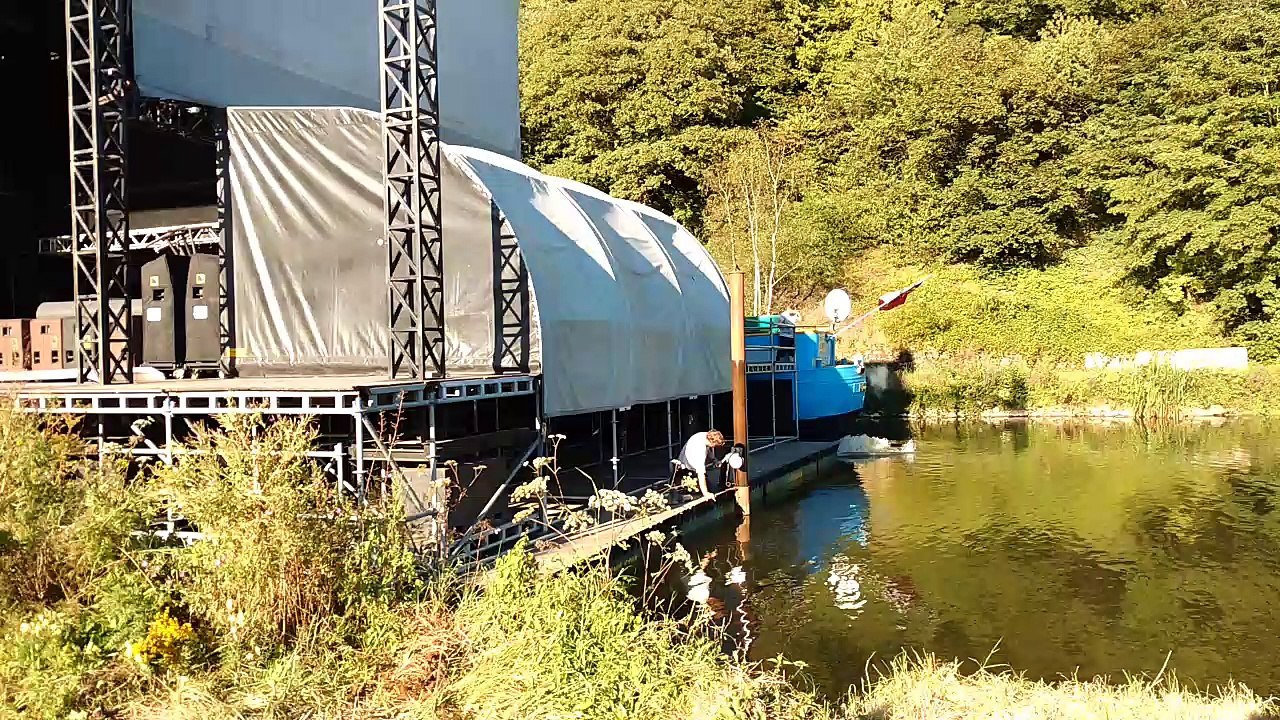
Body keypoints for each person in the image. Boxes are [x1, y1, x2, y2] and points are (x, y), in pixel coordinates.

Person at [675, 429, 726, 499]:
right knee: (702, 490)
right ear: (712, 442)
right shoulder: (699, 451)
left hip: (684, 461)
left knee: (708, 485)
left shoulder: (704, 435)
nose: (714, 447)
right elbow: (701, 474)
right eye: (715, 445)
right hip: (686, 470)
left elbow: (709, 448)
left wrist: (714, 459)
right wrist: (706, 493)